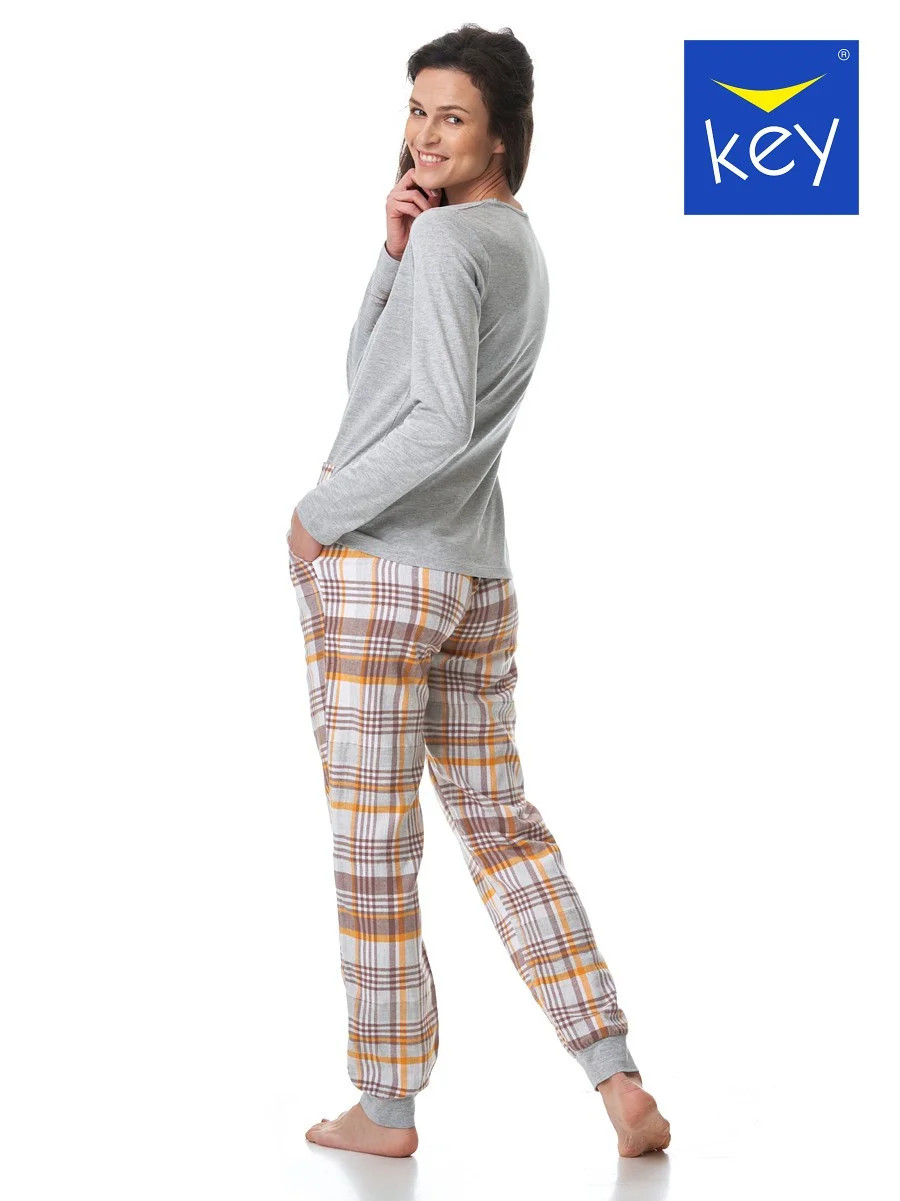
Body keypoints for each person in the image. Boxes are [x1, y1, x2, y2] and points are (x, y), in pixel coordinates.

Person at [286, 24, 671, 1159]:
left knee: (374, 846)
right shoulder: (508, 241)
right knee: (504, 829)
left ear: (501, 132)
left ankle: (385, 1108)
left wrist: (319, 514)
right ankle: (615, 1073)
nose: (424, 134)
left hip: (382, 572)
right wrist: (392, 251)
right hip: (475, 579)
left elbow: (431, 421)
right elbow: (376, 377)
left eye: (451, 117)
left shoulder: (458, 241)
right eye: (416, 111)